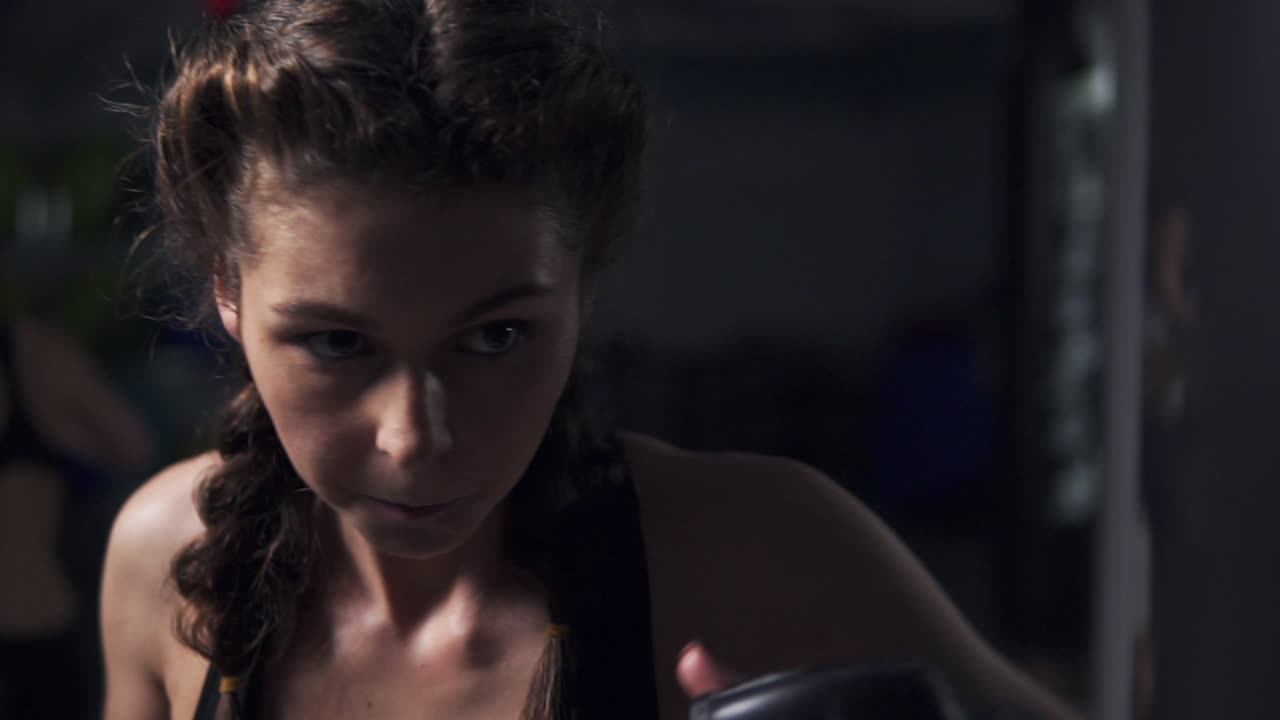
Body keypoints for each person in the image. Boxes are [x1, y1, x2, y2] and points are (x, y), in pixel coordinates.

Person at [99, 1, 1080, 718]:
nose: (415, 437)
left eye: (494, 337)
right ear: (228, 291)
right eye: (336, 343)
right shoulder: (164, 563)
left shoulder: (759, 554)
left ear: (584, 289)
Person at [0, 312, 152, 719]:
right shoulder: (36, 353)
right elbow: (131, 446)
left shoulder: (32, 351)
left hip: (33, 630)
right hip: (31, 621)